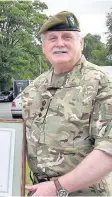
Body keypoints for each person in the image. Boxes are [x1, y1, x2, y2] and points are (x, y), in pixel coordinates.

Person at [21, 11, 112, 196]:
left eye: (67, 37)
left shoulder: (101, 84)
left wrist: (56, 187)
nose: (59, 43)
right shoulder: (34, 88)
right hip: (38, 192)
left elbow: (108, 149)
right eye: (52, 38)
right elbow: (19, 142)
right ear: (43, 47)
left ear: (81, 43)